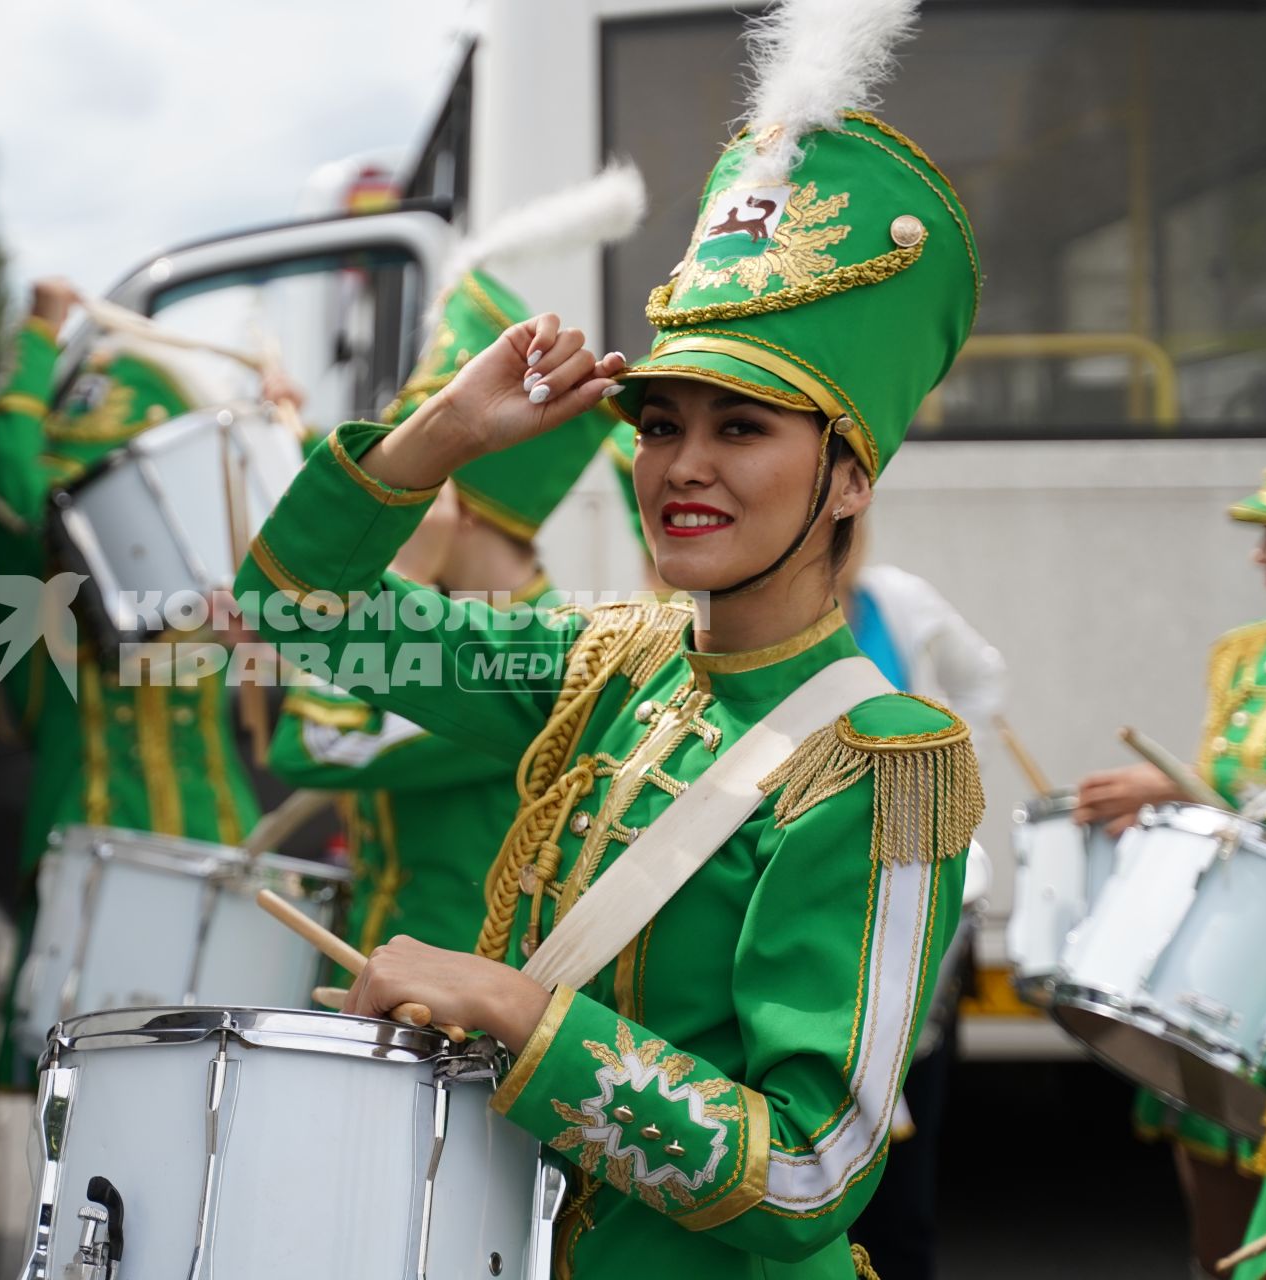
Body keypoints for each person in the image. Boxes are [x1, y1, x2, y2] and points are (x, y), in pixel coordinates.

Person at [232, 6, 982, 1272]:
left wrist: (519, 1012)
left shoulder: (881, 759)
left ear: (847, 478)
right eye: (659, 424)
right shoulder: (599, 667)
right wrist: (442, 441)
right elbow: (299, 605)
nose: (683, 466)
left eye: (742, 428)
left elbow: (810, 1173)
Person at [269, 270, 614, 968]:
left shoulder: (548, 653)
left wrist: (399, 572)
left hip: (457, 1033)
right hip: (378, 989)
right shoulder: (458, 617)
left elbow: (311, 745)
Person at [0, 279, 266, 1084]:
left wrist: (281, 419)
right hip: (87, 867)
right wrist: (38, 338)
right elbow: (7, 475)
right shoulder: (39, 592)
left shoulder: (219, 580)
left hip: (222, 856)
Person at [1079, 459, 1266, 1274]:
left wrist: (1187, 785)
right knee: (1222, 1245)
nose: (1261, 555)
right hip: (1232, 972)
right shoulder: (1242, 655)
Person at [836, 516, 1005, 1280]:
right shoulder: (721, 615)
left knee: (900, 1176)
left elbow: (983, 676)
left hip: (916, 906)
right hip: (822, 912)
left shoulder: (893, 599)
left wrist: (947, 757)